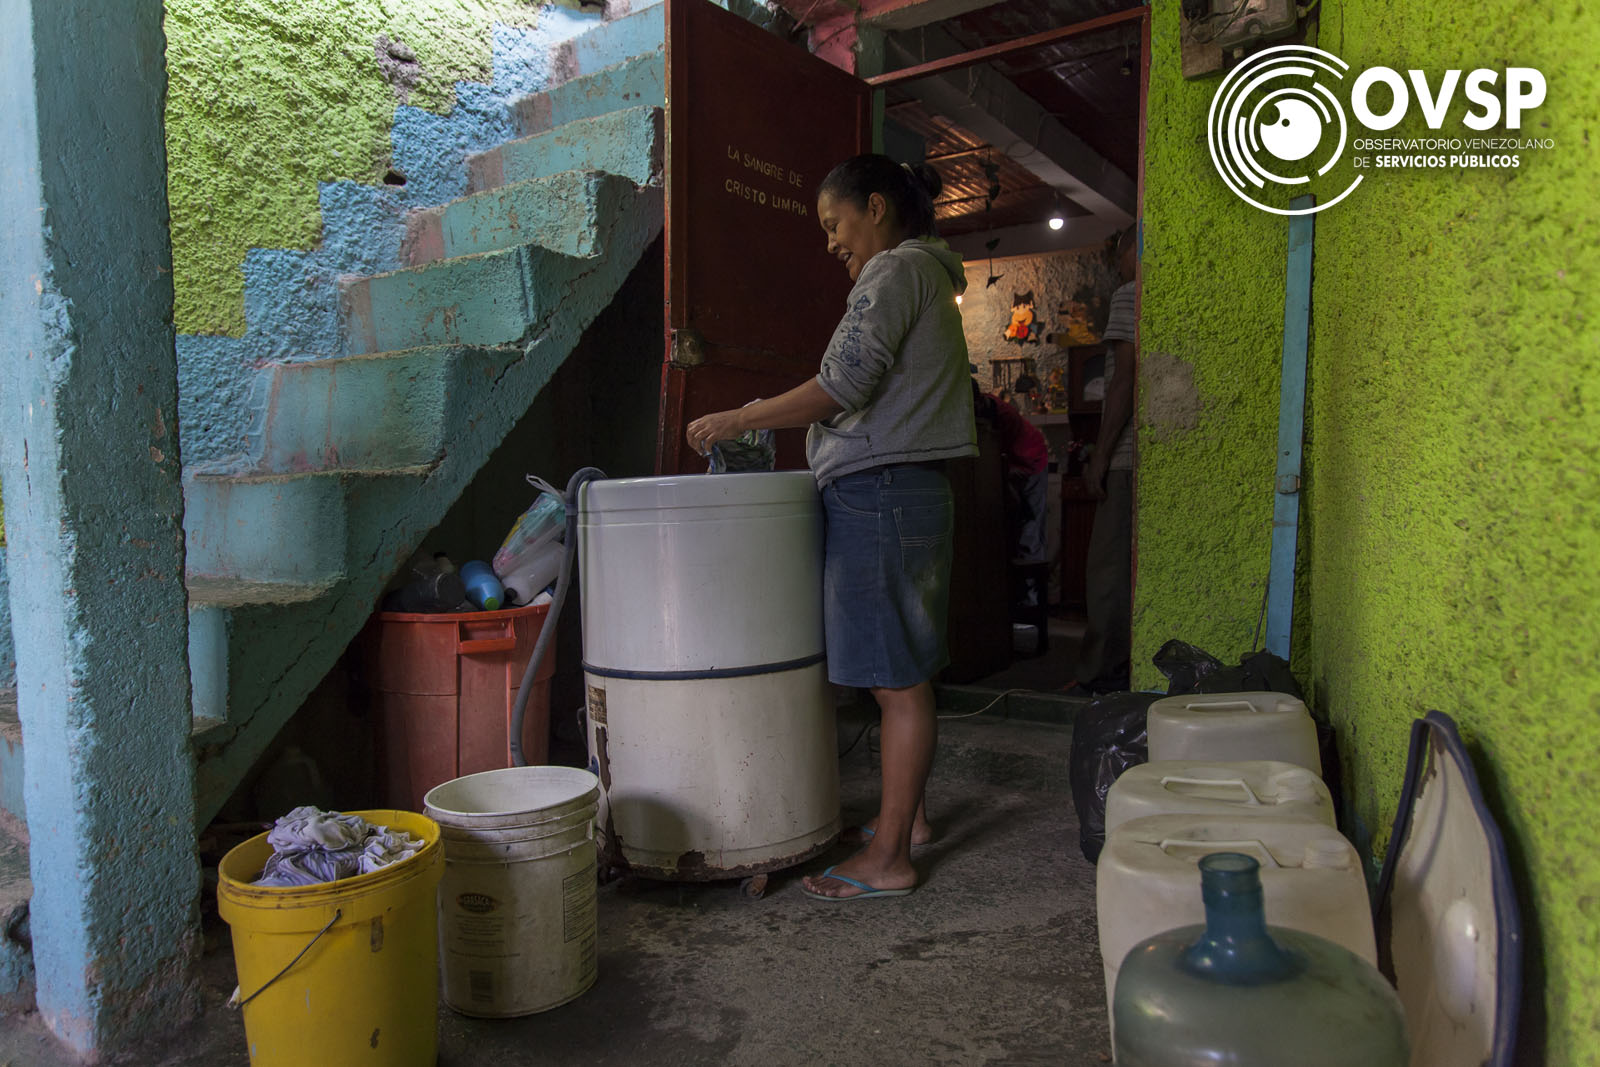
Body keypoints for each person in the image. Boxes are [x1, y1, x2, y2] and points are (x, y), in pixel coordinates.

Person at [686, 154, 976, 901]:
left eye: (834, 223)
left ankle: (889, 859)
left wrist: (739, 416)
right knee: (901, 674)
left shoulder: (894, 273)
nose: (831, 242)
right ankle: (904, 826)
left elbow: (840, 385)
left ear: (875, 207)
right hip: (900, 491)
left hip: (880, 491)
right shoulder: (928, 276)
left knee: (896, 683)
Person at [1069, 226, 1138, 695]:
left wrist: (1101, 458)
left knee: (1108, 571)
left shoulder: (1131, 294)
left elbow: (1123, 382)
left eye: (1120, 254)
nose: (1117, 265)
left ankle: (1098, 678)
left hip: (1127, 457)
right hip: (1143, 459)